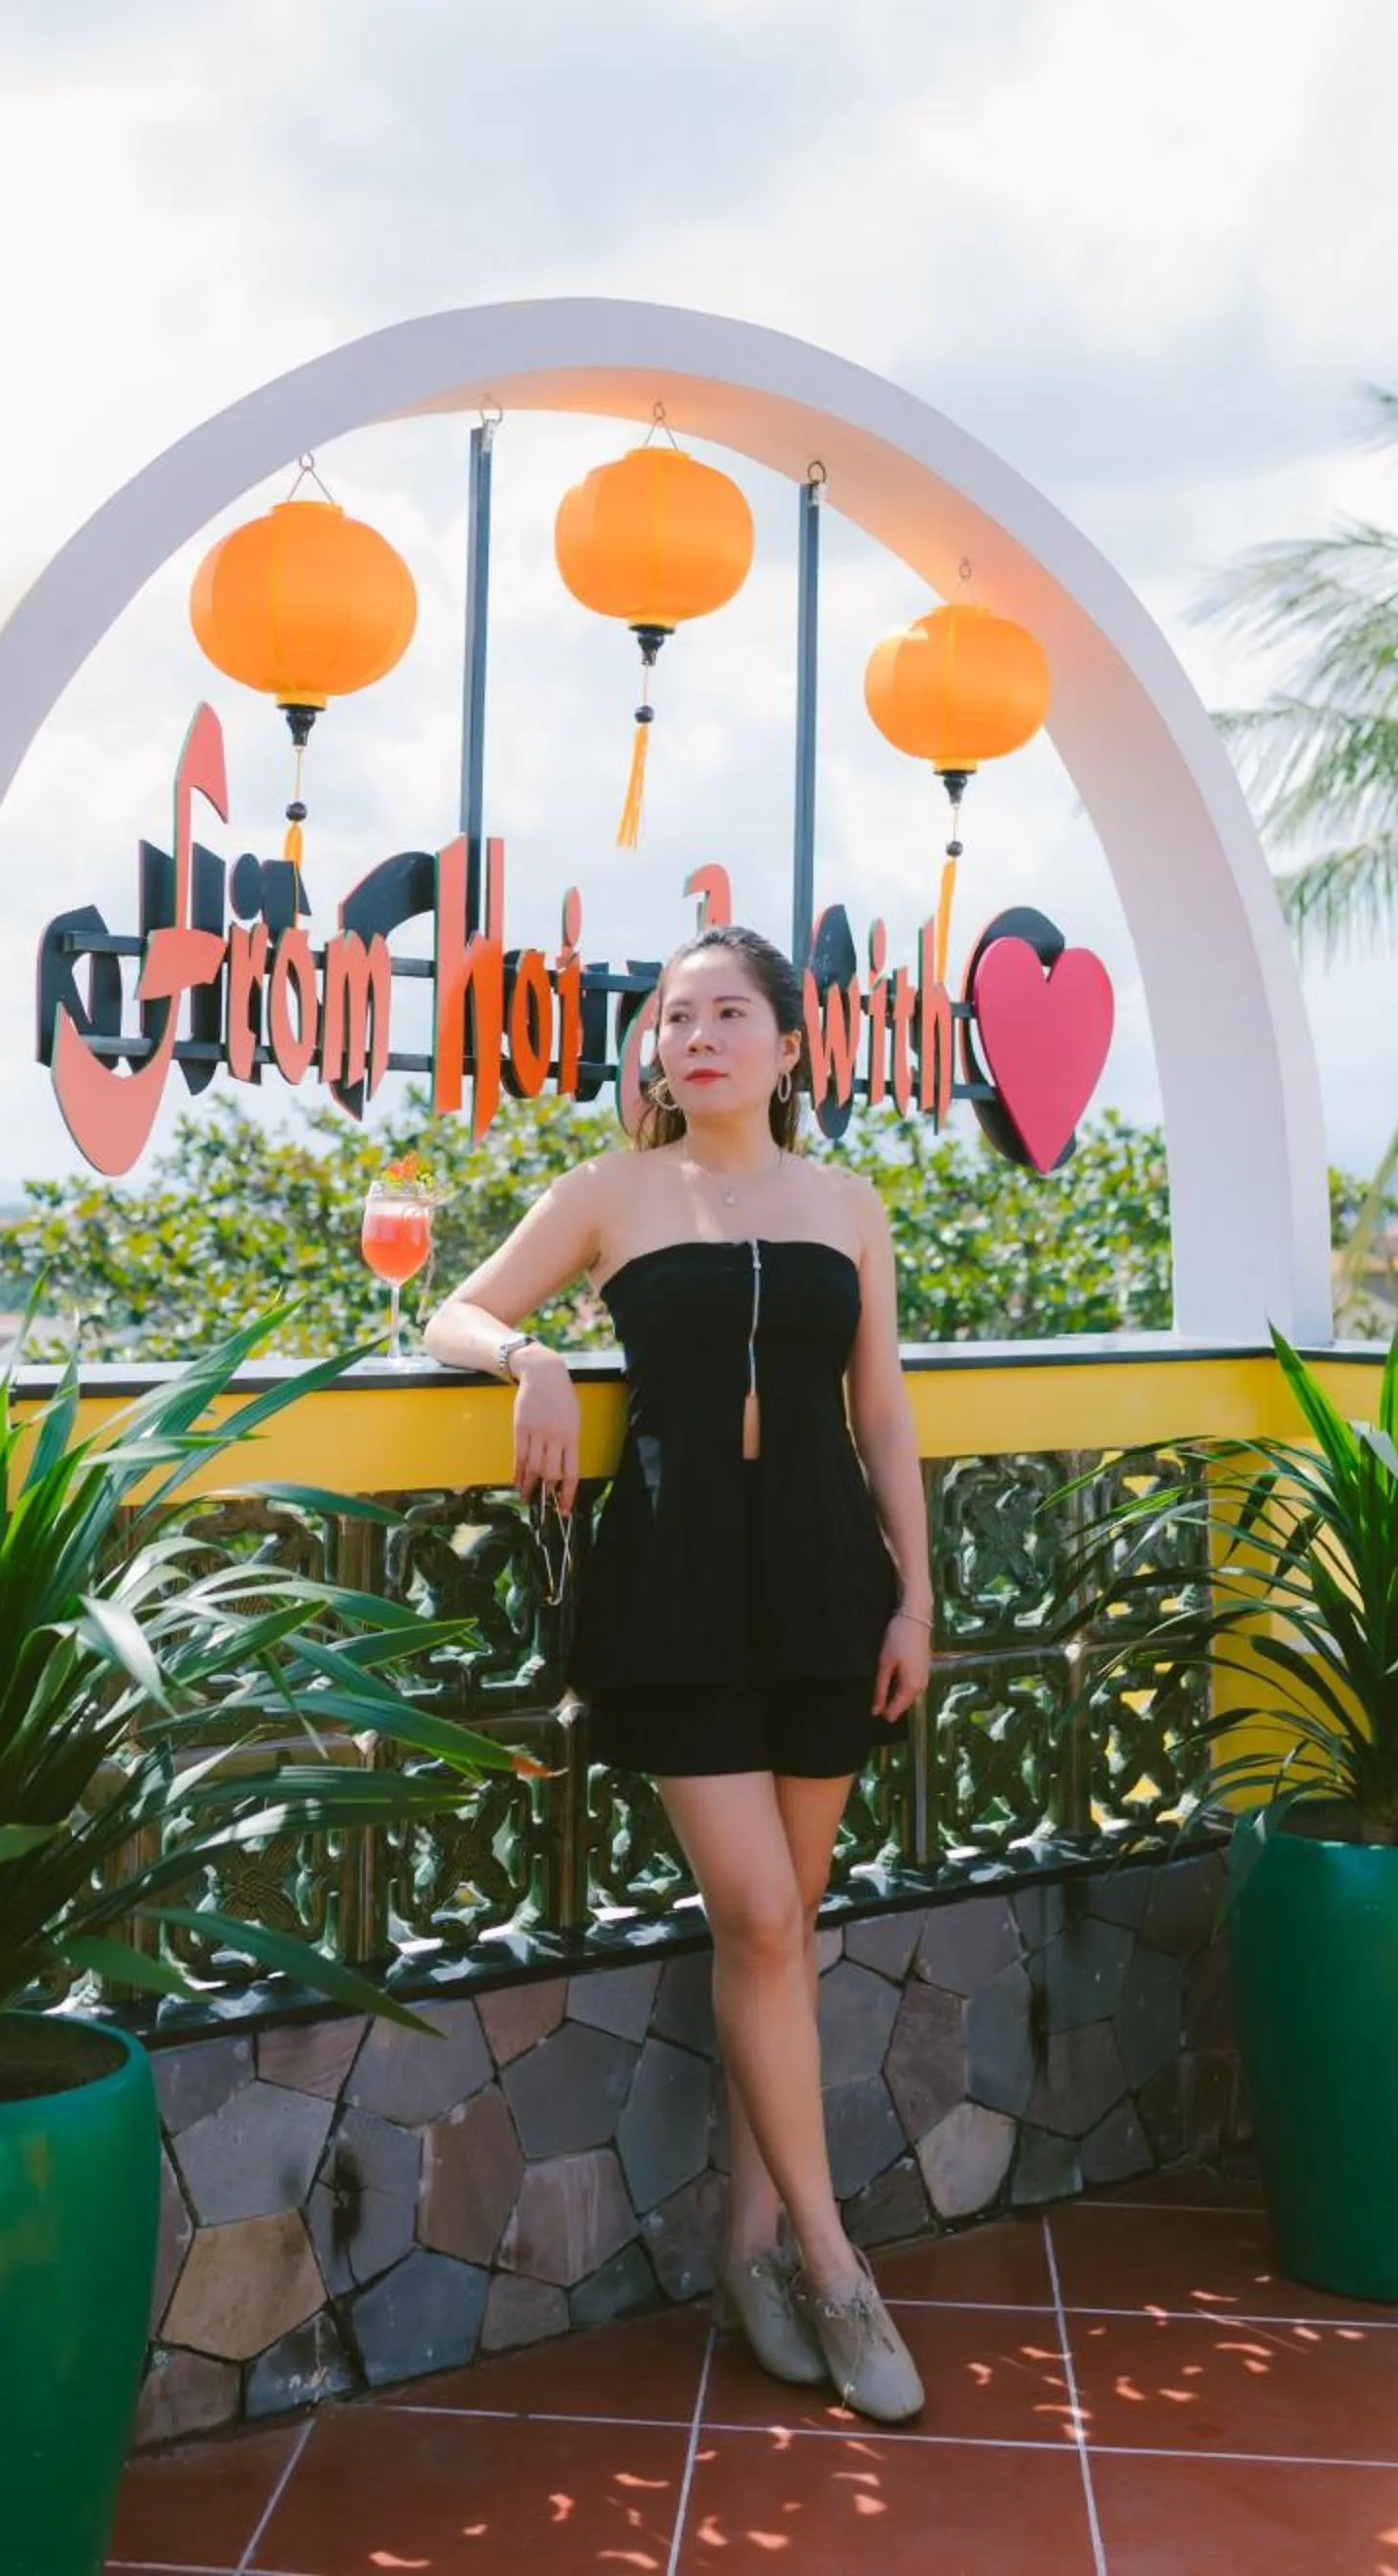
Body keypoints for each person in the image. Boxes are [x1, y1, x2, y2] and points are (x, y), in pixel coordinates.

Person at [421, 924, 933, 2424]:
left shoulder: (848, 1205)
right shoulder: (611, 1194)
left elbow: (884, 1410)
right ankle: (837, 2272)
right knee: (762, 1916)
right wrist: (529, 1366)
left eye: (724, 1014)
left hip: (829, 1590)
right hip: (680, 1592)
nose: (691, 1037)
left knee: (781, 1936)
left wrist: (916, 1597)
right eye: (669, 1018)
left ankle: (747, 2242)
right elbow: (453, 1308)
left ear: (788, 1043)